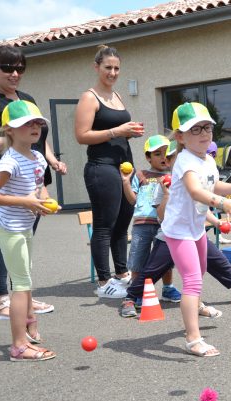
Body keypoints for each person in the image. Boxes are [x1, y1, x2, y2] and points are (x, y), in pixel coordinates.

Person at [0, 45, 63, 319]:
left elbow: (39, 137)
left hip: (30, 180)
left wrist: (52, 159)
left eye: (20, 67)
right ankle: (0, 301)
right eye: (8, 67)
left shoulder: (26, 99)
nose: (15, 73)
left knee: (23, 238)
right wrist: (15, 145)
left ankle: (22, 297)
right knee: (0, 240)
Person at [162, 102, 231, 357]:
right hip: (178, 230)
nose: (204, 133)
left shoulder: (207, 160)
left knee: (201, 270)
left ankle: (196, 305)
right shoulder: (184, 160)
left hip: (195, 228)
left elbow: (213, 186)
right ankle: (193, 339)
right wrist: (222, 203)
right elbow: (195, 190)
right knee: (192, 280)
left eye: (207, 127)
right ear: (180, 137)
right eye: (195, 129)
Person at [0, 101, 60, 361]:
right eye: (26, 123)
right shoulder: (9, 161)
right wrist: (26, 202)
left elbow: (38, 187)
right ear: (9, 130)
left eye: (37, 122)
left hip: (23, 226)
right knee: (22, 284)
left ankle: (29, 326)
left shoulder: (37, 157)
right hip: (8, 228)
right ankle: (18, 347)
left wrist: (45, 201)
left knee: (24, 280)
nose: (34, 127)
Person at [118, 180, 231, 318]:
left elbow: (201, 208)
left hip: (195, 234)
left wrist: (216, 222)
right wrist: (167, 194)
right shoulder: (163, 186)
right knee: (152, 270)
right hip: (170, 236)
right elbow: (161, 215)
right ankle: (130, 298)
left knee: (218, 261)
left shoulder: (195, 180)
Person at [74, 45, 144, 298]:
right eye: (107, 67)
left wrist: (130, 132)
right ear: (96, 67)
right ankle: (103, 282)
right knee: (105, 225)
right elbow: (82, 136)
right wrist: (118, 131)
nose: (113, 72)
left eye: (116, 68)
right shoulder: (89, 97)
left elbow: (119, 131)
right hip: (101, 168)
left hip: (124, 167)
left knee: (124, 221)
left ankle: (121, 273)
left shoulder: (117, 97)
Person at [120, 135, 182, 303]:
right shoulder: (141, 175)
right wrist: (126, 182)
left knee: (164, 260)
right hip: (142, 223)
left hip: (165, 225)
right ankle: (137, 291)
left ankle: (167, 288)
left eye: (166, 153)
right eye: (157, 154)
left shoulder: (174, 174)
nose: (163, 157)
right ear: (148, 157)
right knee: (138, 260)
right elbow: (132, 200)